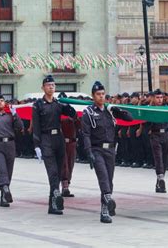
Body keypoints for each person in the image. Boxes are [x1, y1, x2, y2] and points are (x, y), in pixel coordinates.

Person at [81, 81, 133, 223]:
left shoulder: (110, 111)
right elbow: (85, 134)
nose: (101, 97)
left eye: (103, 94)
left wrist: (118, 110)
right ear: (93, 96)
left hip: (110, 150)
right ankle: (107, 204)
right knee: (103, 178)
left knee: (109, 181)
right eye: (98, 94)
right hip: (97, 149)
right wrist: (88, 152)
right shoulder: (89, 113)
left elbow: (130, 118)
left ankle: (106, 206)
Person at [32, 75, 77, 215]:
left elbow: (73, 114)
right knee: (52, 172)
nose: (51, 87)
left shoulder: (58, 104)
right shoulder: (38, 105)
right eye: (48, 85)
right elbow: (36, 126)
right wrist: (37, 145)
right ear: (43, 88)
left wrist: (69, 106)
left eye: (53, 85)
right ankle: (56, 196)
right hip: (46, 139)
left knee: (58, 172)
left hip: (59, 139)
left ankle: (53, 204)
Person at [147, 89, 168, 193]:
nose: (160, 99)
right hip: (155, 134)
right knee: (158, 158)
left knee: (165, 159)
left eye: (161, 97)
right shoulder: (149, 109)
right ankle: (161, 178)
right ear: (153, 98)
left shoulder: (167, 108)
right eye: (157, 97)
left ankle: (159, 182)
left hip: (166, 134)